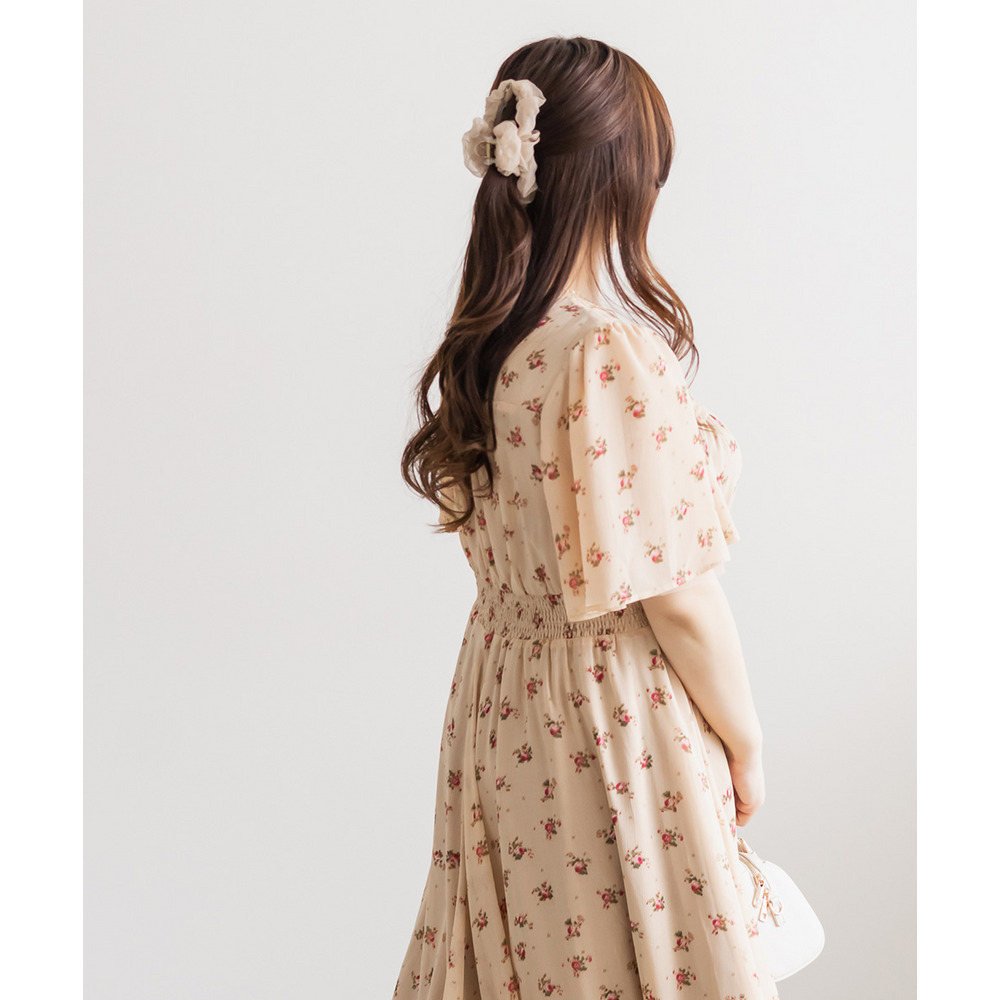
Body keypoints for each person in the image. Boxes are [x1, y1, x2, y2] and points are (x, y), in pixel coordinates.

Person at [395, 35, 779, 1000]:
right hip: (612, 715)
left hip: (505, 704)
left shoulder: (491, 345)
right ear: (620, 180)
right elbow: (678, 595)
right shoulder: (597, 353)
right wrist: (745, 740)